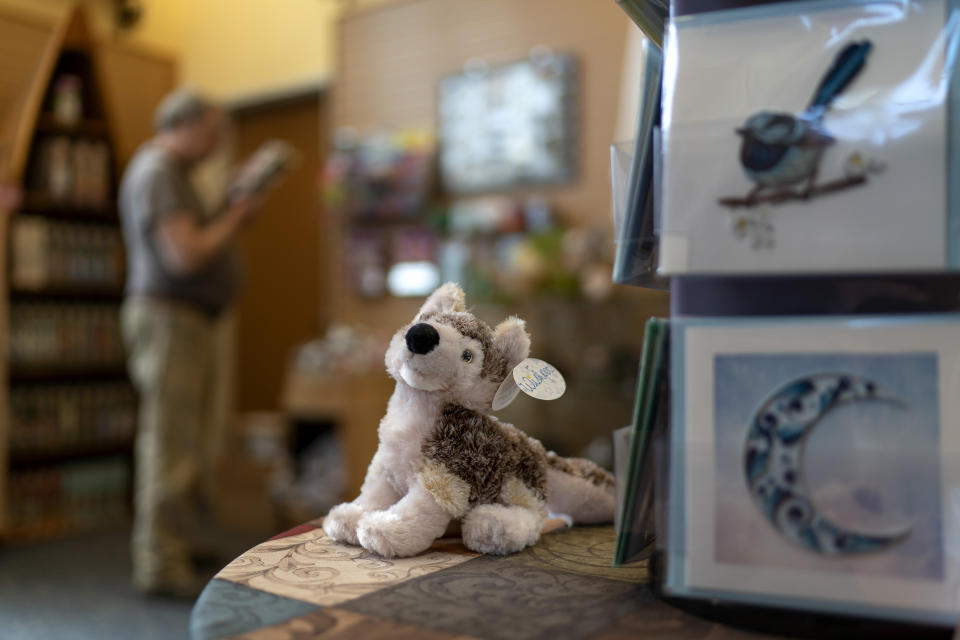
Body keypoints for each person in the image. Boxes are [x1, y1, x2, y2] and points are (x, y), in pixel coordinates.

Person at [119, 88, 262, 596]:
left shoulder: (175, 175)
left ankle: (178, 538)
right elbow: (185, 256)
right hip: (169, 319)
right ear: (185, 123)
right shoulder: (159, 171)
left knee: (189, 439)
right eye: (213, 129)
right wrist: (235, 217)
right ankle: (159, 560)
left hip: (185, 320)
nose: (218, 141)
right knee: (169, 441)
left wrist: (229, 202)